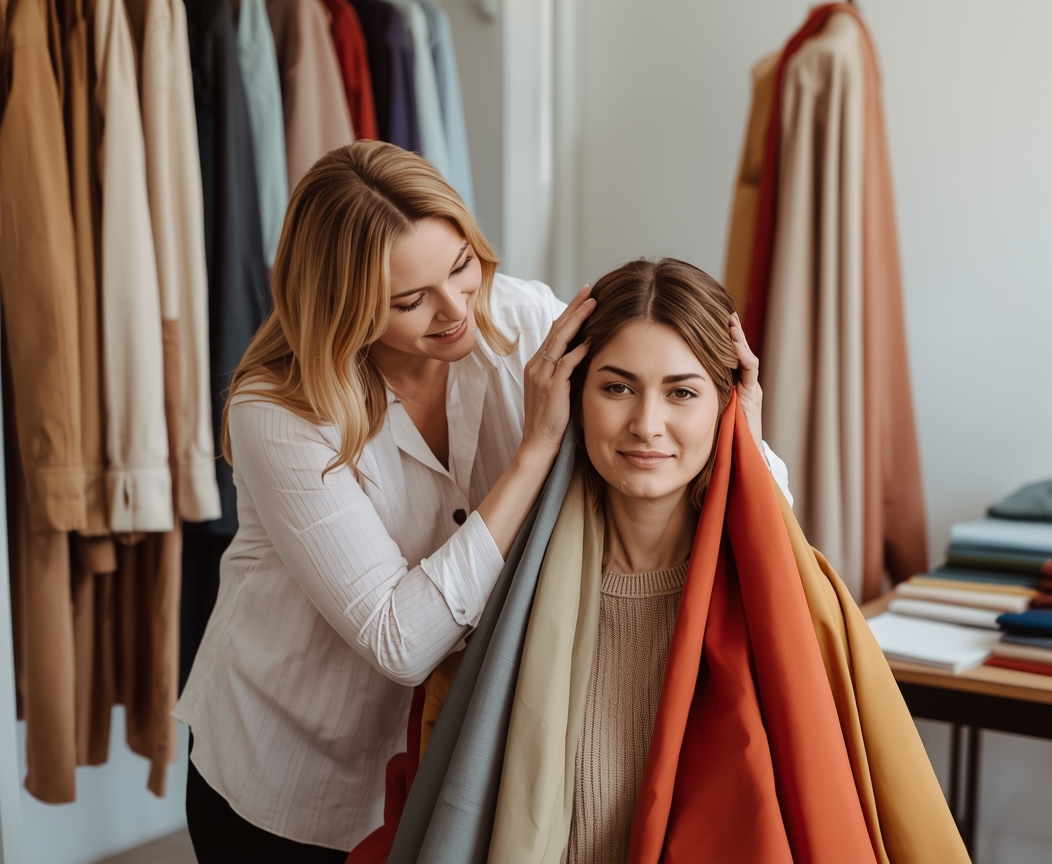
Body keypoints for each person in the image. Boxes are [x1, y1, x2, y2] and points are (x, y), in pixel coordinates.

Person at [174, 145, 766, 862]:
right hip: (293, 778)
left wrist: (743, 433)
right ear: (343, 305)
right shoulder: (279, 412)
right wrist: (533, 453)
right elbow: (400, 641)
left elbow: (700, 468)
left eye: (461, 265)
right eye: (410, 301)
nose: (457, 310)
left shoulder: (524, 322)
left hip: (453, 760)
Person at [378, 258, 968, 864]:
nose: (647, 425)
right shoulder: (506, 596)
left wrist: (750, 451)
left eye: (682, 392)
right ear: (573, 396)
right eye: (617, 388)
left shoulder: (795, 607)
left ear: (726, 404)